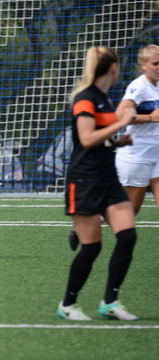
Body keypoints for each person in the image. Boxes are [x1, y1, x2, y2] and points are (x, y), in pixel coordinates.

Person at [56, 47, 139, 321]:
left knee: (127, 236)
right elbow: (87, 138)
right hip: (85, 180)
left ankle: (110, 303)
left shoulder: (104, 98)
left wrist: (117, 142)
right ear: (113, 67)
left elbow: (100, 139)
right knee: (92, 247)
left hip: (108, 178)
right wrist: (122, 122)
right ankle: (68, 305)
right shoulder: (85, 98)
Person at [114, 44, 159, 214]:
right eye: (155, 64)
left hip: (157, 152)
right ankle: (94, 219)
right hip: (138, 154)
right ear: (144, 65)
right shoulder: (139, 87)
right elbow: (120, 116)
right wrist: (149, 118)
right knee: (130, 211)